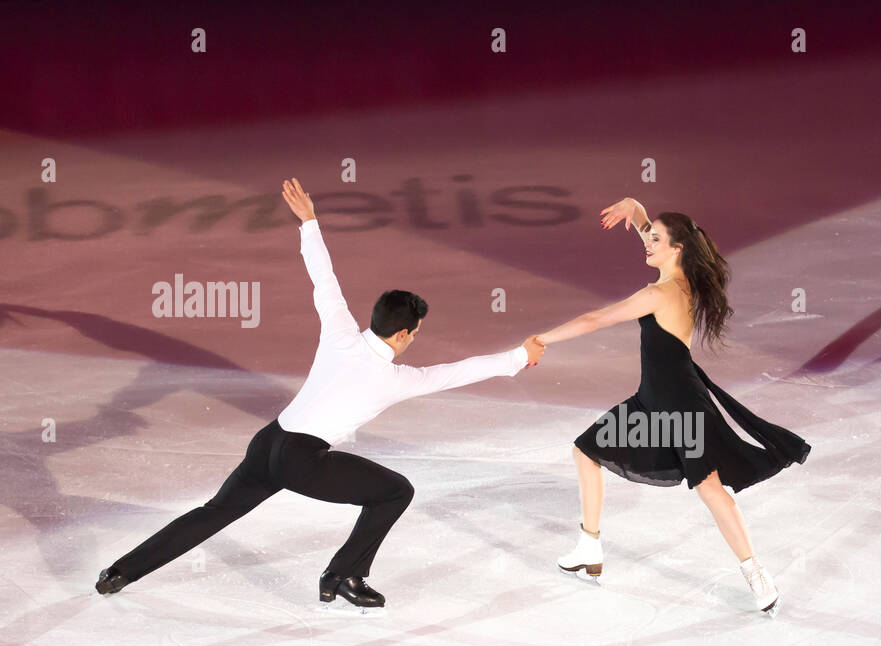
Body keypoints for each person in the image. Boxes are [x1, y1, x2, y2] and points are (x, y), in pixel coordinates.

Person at [95, 178, 545, 608]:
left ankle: (121, 572)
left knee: (213, 512)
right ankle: (343, 576)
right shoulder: (396, 378)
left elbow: (324, 280)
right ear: (404, 334)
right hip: (302, 459)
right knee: (395, 492)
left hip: (268, 441)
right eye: (417, 332)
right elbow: (458, 372)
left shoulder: (340, 333)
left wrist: (309, 221)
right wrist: (519, 358)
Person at [533, 197, 809, 615]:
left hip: (680, 409)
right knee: (586, 450)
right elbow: (656, 237)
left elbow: (594, 319)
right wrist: (638, 211)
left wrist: (541, 339)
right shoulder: (684, 283)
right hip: (652, 403)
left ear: (676, 248)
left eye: (656, 239)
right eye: (649, 236)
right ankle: (588, 544)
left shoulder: (658, 294)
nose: (647, 243)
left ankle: (755, 572)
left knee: (710, 488)